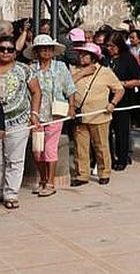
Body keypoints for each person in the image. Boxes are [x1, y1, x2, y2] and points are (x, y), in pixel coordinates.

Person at [25, 35, 75, 197]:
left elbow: (70, 88)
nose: (46, 52)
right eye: (43, 49)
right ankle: (43, 179)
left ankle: (51, 182)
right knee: (37, 150)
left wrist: (72, 107)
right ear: (36, 52)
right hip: (36, 115)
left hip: (55, 114)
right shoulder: (31, 69)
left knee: (49, 148)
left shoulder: (60, 67)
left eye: (49, 49)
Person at [70, 42, 124, 187]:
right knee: (80, 147)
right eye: (80, 54)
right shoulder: (73, 70)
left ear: (93, 57)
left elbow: (119, 89)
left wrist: (112, 103)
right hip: (80, 115)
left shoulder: (105, 72)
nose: (81, 57)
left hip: (99, 116)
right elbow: (67, 85)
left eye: (85, 55)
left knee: (101, 146)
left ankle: (104, 173)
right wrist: (82, 73)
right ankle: (82, 174)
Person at [0, 35, 41, 208]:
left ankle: (11, 194)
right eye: (2, 49)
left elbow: (36, 92)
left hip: (18, 120)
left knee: (14, 159)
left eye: (10, 50)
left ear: (15, 53)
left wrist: (34, 113)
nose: (6, 52)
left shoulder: (24, 70)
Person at [105, 33, 140, 171]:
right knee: (107, 132)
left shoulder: (128, 59)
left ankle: (122, 158)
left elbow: (138, 80)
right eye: (108, 46)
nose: (110, 49)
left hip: (123, 100)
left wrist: (122, 84)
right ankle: (109, 158)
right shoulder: (105, 59)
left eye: (112, 46)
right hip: (106, 100)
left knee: (122, 131)